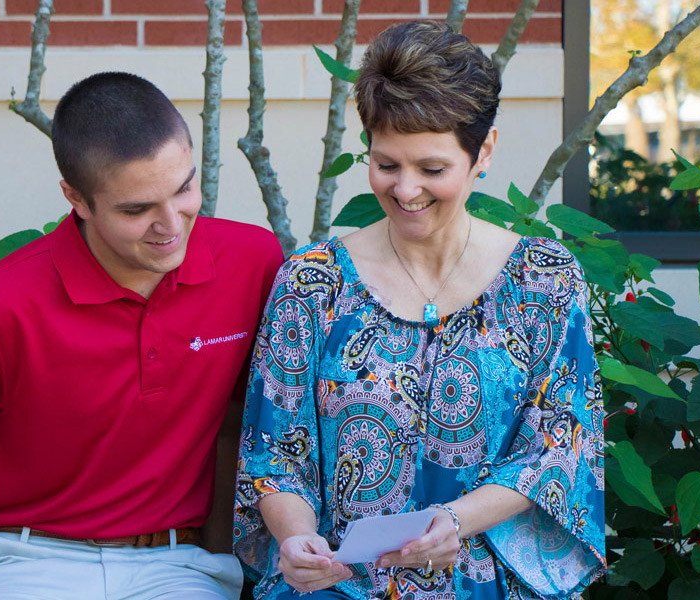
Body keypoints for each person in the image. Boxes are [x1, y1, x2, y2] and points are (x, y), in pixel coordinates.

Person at [0, 72, 285, 600]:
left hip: (176, 567)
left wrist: (220, 556)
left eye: (184, 188)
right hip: (24, 563)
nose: (171, 225)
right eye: (136, 210)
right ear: (77, 199)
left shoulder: (253, 264)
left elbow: (236, 426)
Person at [233, 21, 606, 600]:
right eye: (387, 165)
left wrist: (455, 520)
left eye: (432, 169)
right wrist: (298, 541)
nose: (407, 191)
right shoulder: (312, 285)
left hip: (490, 583)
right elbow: (273, 455)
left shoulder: (544, 279)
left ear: (483, 152)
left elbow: (559, 445)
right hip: (341, 587)